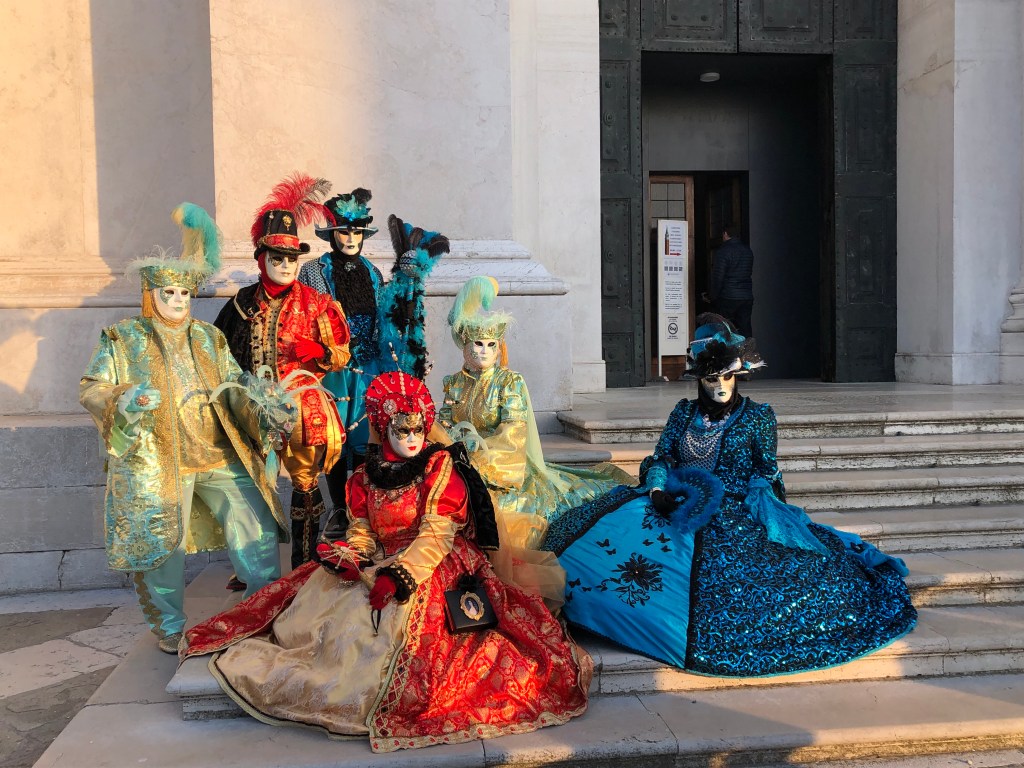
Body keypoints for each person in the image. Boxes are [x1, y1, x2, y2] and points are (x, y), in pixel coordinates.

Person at [182, 371, 592, 752]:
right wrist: (351, 554)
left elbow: (436, 534)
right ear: (383, 426)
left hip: (430, 563)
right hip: (379, 558)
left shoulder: (437, 467)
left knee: (396, 632)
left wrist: (399, 576)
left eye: (418, 428)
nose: (413, 438)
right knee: (317, 614)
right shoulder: (364, 476)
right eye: (402, 430)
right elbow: (362, 529)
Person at [543, 314, 917, 674]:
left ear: (738, 376)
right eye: (710, 379)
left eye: (727, 377)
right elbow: (662, 456)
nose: (720, 386)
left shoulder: (758, 417)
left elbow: (766, 473)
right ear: (698, 380)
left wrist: (767, 514)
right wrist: (656, 489)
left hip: (736, 511)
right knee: (590, 545)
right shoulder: (683, 413)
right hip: (672, 501)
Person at [80, 204, 287, 654]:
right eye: (169, 292)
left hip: (219, 453)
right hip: (158, 462)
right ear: (150, 294)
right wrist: (124, 398)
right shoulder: (123, 338)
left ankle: (262, 612)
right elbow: (93, 388)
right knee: (162, 549)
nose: (177, 300)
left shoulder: (208, 338)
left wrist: (263, 412)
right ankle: (170, 627)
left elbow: (233, 388)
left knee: (256, 526)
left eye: (184, 294)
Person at [438, 276, 633, 606]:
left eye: (491, 344)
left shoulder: (508, 382)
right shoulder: (455, 383)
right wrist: (451, 441)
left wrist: (479, 452)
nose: (485, 351)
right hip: (457, 461)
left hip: (497, 470)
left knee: (501, 514)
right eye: (477, 344)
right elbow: (443, 423)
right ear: (464, 345)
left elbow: (513, 432)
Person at [215, 174, 351, 571]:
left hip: (302, 407)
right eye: (277, 258)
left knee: (306, 486)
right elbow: (221, 351)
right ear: (261, 260)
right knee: (247, 487)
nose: (285, 266)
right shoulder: (241, 303)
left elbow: (342, 352)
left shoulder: (318, 304)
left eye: (291, 259)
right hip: (251, 406)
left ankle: (305, 566)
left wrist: (321, 351)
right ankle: (252, 569)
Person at [297, 188, 385, 506]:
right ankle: (337, 508)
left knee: (365, 437)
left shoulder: (374, 274)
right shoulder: (313, 271)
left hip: (368, 368)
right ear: (332, 234)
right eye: (344, 231)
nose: (350, 238)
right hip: (331, 366)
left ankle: (359, 508)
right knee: (333, 438)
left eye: (356, 231)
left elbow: (382, 321)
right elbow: (306, 318)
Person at [708, 223, 754, 337]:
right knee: (745, 328)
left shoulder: (723, 251)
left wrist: (712, 296)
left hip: (728, 296)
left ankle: (725, 353)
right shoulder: (748, 251)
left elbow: (718, 277)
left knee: (723, 328)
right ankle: (746, 353)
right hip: (746, 296)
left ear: (725, 234)